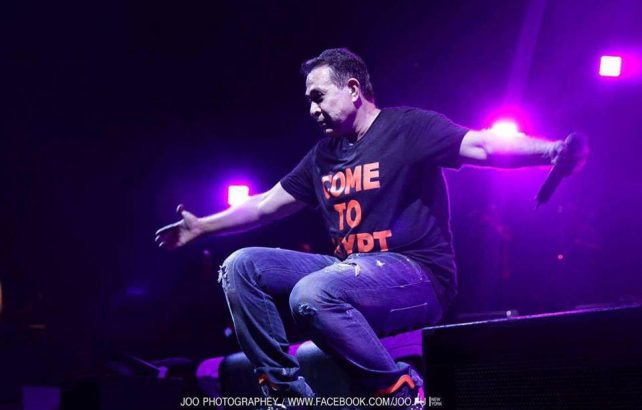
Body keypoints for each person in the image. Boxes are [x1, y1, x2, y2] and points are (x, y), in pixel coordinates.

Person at [155, 48, 587, 404]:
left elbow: (483, 144)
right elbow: (266, 204)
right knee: (240, 267)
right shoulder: (324, 155)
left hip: (418, 276)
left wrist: (550, 151)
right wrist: (201, 227)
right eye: (308, 101)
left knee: (312, 293)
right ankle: (288, 395)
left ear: (353, 89)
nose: (312, 109)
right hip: (351, 274)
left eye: (319, 96)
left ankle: (398, 389)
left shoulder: (407, 128)